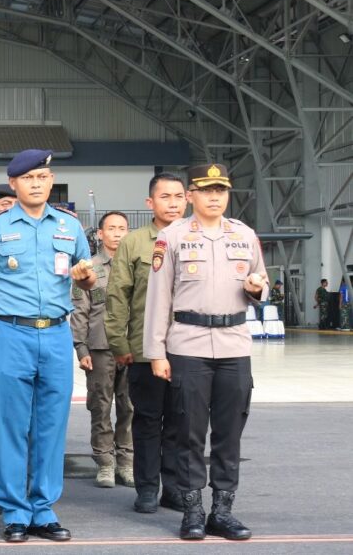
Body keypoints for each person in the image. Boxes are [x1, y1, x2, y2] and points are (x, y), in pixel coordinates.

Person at [0, 150, 95, 543]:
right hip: (10, 334)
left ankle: (44, 509)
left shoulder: (70, 228)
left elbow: (85, 279)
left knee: (51, 427)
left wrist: (85, 278)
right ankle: (15, 512)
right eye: (28, 178)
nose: (37, 183)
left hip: (55, 333)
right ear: (15, 184)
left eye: (43, 176)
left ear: (51, 180)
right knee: (11, 426)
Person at [144, 163, 266, 541]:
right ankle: (193, 511)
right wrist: (156, 352)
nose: (214, 197)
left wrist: (257, 290)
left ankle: (223, 511)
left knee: (230, 433)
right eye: (206, 190)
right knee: (189, 433)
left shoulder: (245, 236)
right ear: (191, 195)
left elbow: (261, 287)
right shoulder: (173, 237)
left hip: (234, 343)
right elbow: (158, 298)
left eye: (221, 190)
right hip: (189, 344)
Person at [104, 172, 188, 514]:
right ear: (150, 202)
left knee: (182, 423)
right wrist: (119, 343)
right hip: (142, 349)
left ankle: (175, 488)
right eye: (165, 197)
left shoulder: (196, 239)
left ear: (187, 200)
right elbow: (117, 295)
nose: (172, 203)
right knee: (148, 421)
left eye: (178, 196)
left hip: (189, 349)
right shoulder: (135, 242)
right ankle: (148, 489)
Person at [71, 211, 133, 489]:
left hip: (133, 347)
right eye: (112, 228)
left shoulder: (137, 266)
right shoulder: (89, 269)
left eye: (122, 228)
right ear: (100, 234)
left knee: (131, 407)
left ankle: (127, 462)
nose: (117, 233)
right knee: (101, 406)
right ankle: (105, 463)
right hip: (100, 347)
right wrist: (80, 347)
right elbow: (79, 310)